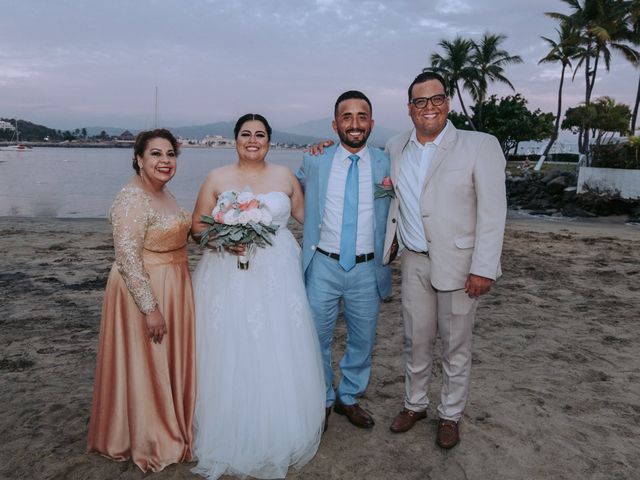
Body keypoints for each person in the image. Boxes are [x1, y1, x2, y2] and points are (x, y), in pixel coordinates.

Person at [190, 113, 325, 480]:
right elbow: (198, 227)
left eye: (260, 134)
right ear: (235, 139)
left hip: (278, 274)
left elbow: (308, 217)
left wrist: (320, 160)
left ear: (270, 140)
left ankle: (279, 424)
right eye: (246, 134)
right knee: (230, 342)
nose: (253, 140)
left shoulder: (285, 177)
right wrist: (223, 239)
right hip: (226, 273)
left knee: (276, 341)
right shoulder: (217, 178)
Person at [383, 71, 506, 449]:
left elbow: (493, 211)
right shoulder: (394, 146)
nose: (429, 108)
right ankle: (415, 404)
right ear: (409, 109)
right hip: (414, 260)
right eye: (420, 101)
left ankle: (450, 414)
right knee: (415, 340)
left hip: (461, 264)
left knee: (455, 346)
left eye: (436, 99)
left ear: (447, 102)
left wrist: (483, 267)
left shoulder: (480, 145)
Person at [87, 129, 195, 472]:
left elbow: (180, 231)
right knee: (148, 362)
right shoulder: (132, 198)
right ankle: (151, 437)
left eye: (170, 155)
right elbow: (128, 259)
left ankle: (170, 423)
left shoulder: (163, 193)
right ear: (138, 159)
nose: (165, 161)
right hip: (145, 288)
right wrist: (150, 308)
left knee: (164, 362)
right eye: (156, 154)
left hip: (174, 281)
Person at [296, 91, 392, 431]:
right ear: (335, 124)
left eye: (361, 116)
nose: (355, 124)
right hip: (322, 264)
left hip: (368, 267)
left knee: (363, 339)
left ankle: (348, 397)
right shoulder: (314, 161)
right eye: (347, 117)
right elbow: (288, 195)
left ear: (371, 123)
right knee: (315, 337)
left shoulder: (386, 163)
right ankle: (321, 397)